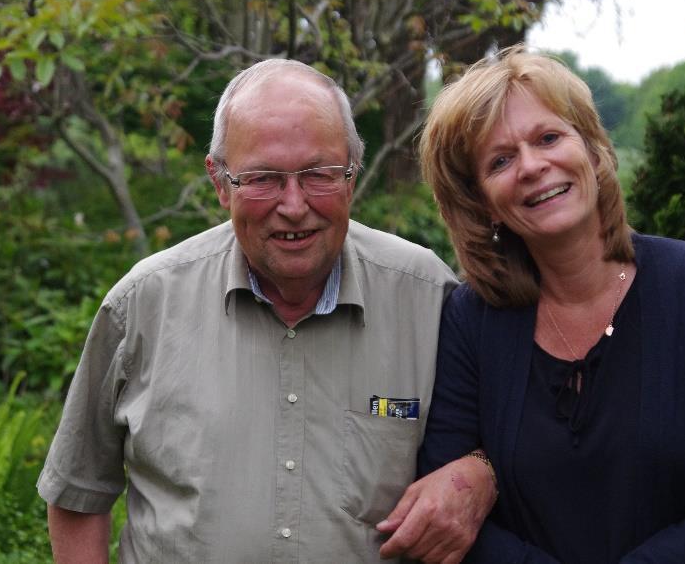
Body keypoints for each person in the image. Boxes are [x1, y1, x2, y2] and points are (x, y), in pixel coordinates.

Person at [36, 58, 495, 562]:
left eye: (319, 174)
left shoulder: (429, 299)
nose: (294, 205)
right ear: (219, 181)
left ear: (352, 176)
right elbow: (79, 492)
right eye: (263, 178)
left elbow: (513, 445)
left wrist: (481, 471)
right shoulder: (143, 304)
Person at [414, 45, 685, 563]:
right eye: (500, 160)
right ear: (481, 204)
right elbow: (448, 498)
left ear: (595, 152)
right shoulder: (473, 319)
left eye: (548, 138)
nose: (533, 166)